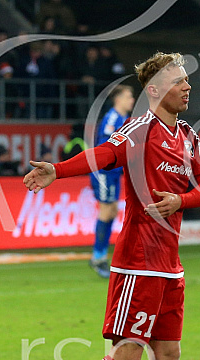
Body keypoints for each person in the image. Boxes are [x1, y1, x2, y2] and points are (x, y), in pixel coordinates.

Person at [23, 52, 200, 360]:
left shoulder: (189, 137)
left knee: (168, 355)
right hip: (138, 261)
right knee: (127, 354)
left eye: (186, 80)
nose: (187, 86)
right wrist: (58, 169)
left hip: (169, 265)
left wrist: (180, 199)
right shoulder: (139, 130)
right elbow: (104, 155)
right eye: (180, 80)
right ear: (156, 89)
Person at [88, 84, 135, 278]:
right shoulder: (113, 118)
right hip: (104, 173)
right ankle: (97, 257)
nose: (131, 100)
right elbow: (105, 147)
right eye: (128, 96)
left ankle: (101, 255)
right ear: (118, 99)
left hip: (114, 174)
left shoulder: (123, 119)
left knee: (112, 211)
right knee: (106, 211)